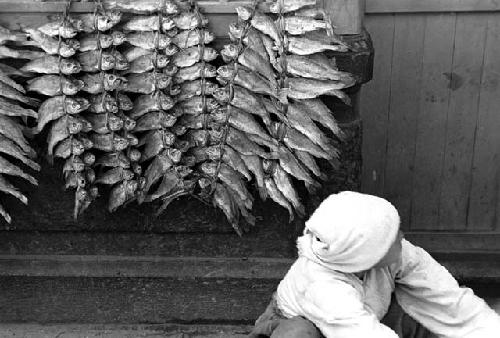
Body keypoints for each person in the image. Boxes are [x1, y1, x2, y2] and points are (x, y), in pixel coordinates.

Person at [248, 191, 500, 338]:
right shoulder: (320, 285)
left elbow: (447, 298)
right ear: (363, 255)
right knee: (297, 334)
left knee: (426, 316)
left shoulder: (396, 252)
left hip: (365, 319)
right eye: (390, 238)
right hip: (316, 327)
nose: (401, 236)